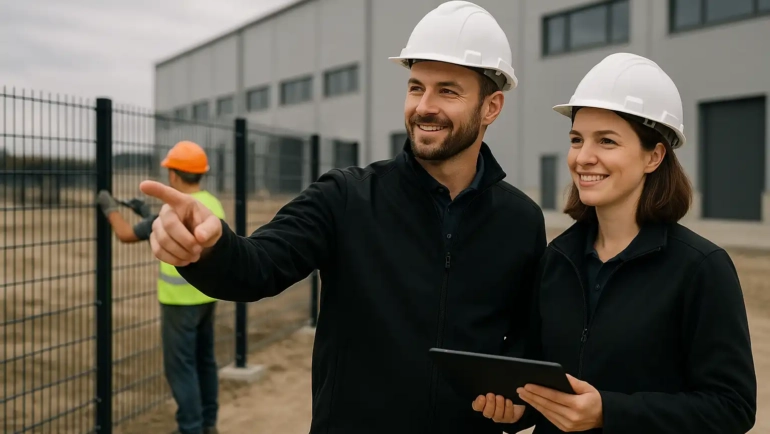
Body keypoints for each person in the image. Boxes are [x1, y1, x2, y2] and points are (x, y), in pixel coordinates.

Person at [138, 2, 546, 433]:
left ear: (491, 107)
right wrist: (209, 248)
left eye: (448, 91)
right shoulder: (347, 196)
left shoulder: (520, 221)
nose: (424, 106)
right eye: (415, 87)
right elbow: (257, 266)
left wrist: (519, 403)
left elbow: (527, 342)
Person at [472, 52, 757, 433]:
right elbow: (543, 382)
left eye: (606, 141)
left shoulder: (701, 268)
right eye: (577, 139)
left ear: (654, 156)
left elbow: (732, 407)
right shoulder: (557, 259)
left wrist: (609, 412)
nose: (583, 157)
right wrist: (518, 409)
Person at [97, 140, 226, 434]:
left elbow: (126, 234)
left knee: (181, 369)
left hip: (178, 302)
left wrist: (109, 208)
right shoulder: (212, 203)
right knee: (205, 360)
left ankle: (189, 429)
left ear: (175, 175)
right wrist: (148, 214)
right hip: (206, 298)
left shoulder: (174, 209)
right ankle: (208, 425)